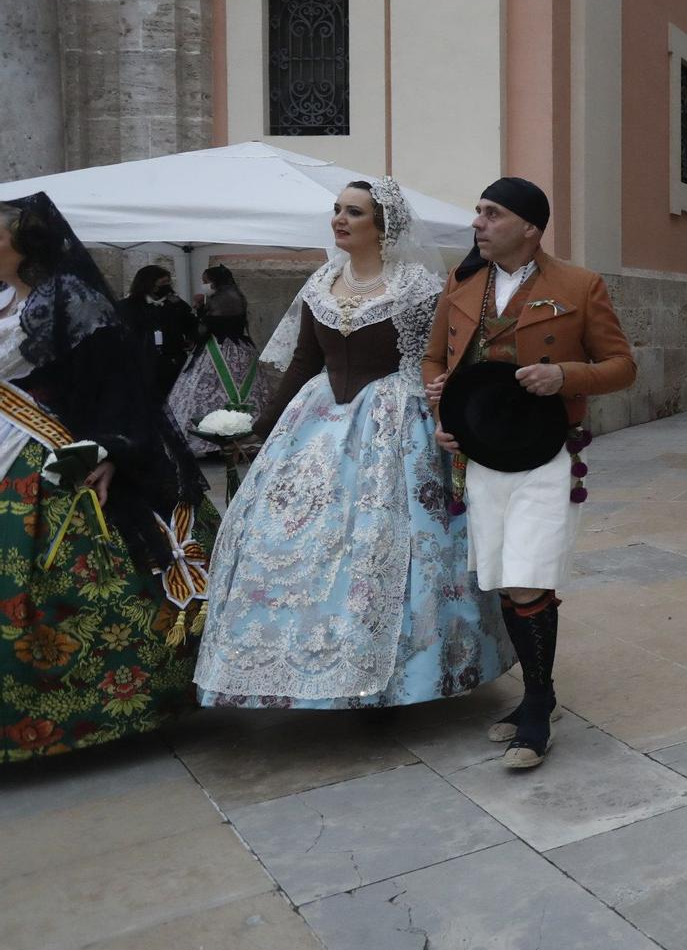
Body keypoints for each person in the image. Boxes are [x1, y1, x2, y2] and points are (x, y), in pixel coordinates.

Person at [195, 180, 511, 711]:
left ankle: (408, 676)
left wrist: (450, 418)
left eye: (354, 212)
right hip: (316, 425)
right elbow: (301, 363)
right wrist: (261, 427)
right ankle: (294, 668)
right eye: (337, 210)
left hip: (394, 426)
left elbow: (443, 361)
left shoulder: (416, 286)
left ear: (382, 226)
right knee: (292, 541)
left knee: (389, 546)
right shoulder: (321, 282)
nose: (340, 219)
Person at [425, 177, 636, 771]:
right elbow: (434, 357)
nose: (478, 223)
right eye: (478, 212)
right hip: (482, 452)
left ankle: (537, 708)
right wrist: (439, 405)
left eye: (491, 214)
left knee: (529, 575)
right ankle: (537, 697)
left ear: (529, 228)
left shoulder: (579, 284)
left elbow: (621, 366)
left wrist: (564, 375)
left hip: (548, 452)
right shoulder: (463, 282)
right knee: (502, 577)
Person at [0, 194, 218, 761]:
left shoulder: (64, 299)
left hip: (43, 448)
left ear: (24, 246)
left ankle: (92, 706)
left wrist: (115, 447)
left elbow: (117, 378)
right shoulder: (2, 300)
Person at [166, 264, 274, 457]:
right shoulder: (237, 296)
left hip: (218, 348)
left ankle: (210, 441)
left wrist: (198, 313)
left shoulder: (221, 300)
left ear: (215, 281)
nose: (204, 285)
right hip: (241, 349)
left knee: (202, 389)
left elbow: (206, 329)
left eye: (206, 281)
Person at [119, 263, 200, 402]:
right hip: (142, 363)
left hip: (172, 361)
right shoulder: (128, 306)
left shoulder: (176, 304)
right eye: (162, 283)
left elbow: (192, 325)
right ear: (148, 284)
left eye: (168, 282)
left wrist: (191, 339)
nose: (166, 286)